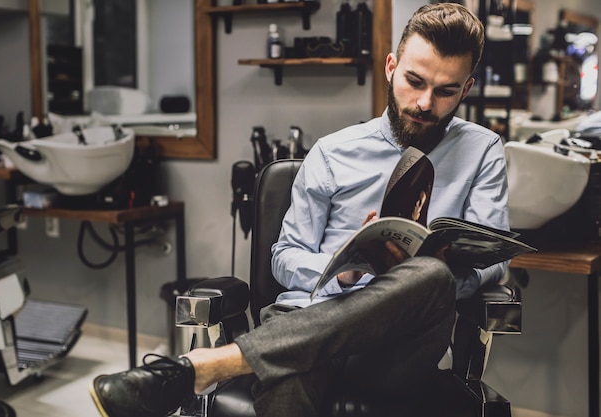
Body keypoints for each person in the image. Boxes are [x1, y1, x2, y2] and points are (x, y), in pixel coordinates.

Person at [89, 3, 510, 417]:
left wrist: (435, 271)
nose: (424, 102)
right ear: (390, 67)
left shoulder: (482, 151)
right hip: (307, 316)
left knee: (431, 275)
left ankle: (206, 367)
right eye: (413, 81)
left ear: (466, 89)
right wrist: (343, 270)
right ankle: (231, 361)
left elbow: (493, 261)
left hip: (395, 349)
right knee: (293, 369)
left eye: (445, 91)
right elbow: (285, 257)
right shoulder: (333, 152)